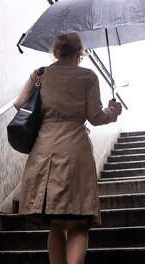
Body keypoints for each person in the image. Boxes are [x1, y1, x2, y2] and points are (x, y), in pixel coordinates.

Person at [13, 33, 123, 264]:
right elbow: (95, 117)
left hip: (45, 150)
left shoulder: (40, 74)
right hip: (75, 149)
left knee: (56, 225)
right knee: (77, 223)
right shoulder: (88, 76)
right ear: (79, 53)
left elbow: (19, 104)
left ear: (56, 51)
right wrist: (113, 111)